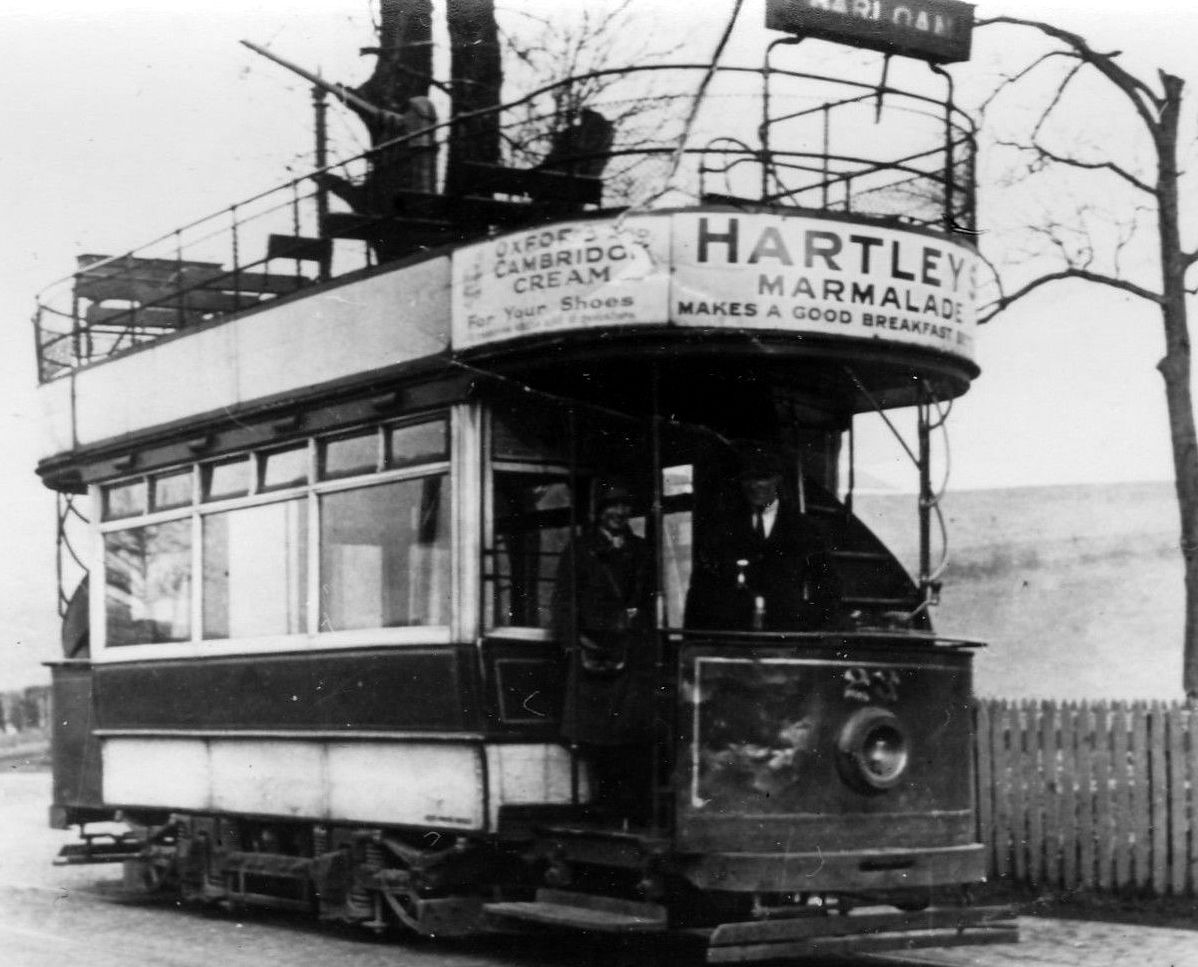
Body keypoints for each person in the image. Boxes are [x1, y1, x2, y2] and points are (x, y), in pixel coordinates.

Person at [553, 481, 655, 823]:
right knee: (598, 736)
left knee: (631, 732)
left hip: (633, 650)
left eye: (626, 507)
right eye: (613, 506)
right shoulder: (580, 549)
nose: (620, 513)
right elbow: (565, 602)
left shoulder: (642, 549)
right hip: (594, 652)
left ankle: (629, 806)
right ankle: (604, 804)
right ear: (599, 512)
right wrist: (571, 644)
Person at [685, 449, 842, 632]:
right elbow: (701, 587)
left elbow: (828, 584)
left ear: (777, 480)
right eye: (748, 479)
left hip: (787, 636)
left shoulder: (805, 529)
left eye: (763, 478)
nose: (755, 485)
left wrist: (807, 623)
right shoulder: (722, 528)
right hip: (733, 636)